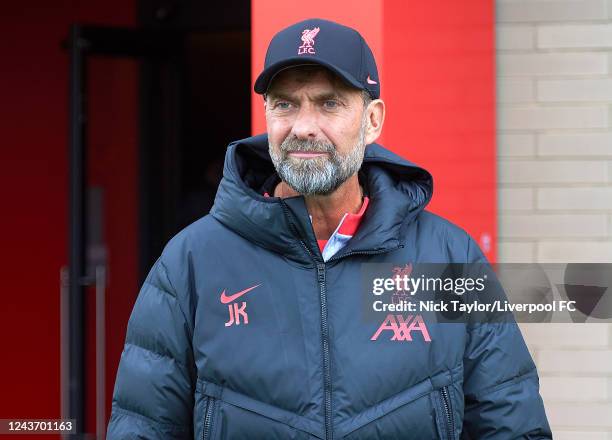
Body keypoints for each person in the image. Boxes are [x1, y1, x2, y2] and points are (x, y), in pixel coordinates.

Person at [107, 18, 552, 439]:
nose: (303, 126)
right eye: (285, 104)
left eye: (329, 103)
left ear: (373, 120)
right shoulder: (190, 264)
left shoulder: (449, 256)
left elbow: (512, 425)